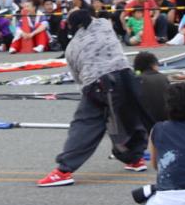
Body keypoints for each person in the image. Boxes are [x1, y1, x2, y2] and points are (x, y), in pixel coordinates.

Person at [38, 10, 150, 187]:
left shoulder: (73, 47)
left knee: (85, 124)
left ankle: (63, 170)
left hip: (99, 83)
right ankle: (135, 159)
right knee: (127, 119)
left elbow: (78, 76)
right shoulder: (105, 26)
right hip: (126, 76)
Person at [134, 51, 169, 123]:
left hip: (145, 123)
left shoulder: (136, 81)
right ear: (153, 65)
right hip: (165, 121)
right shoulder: (163, 78)